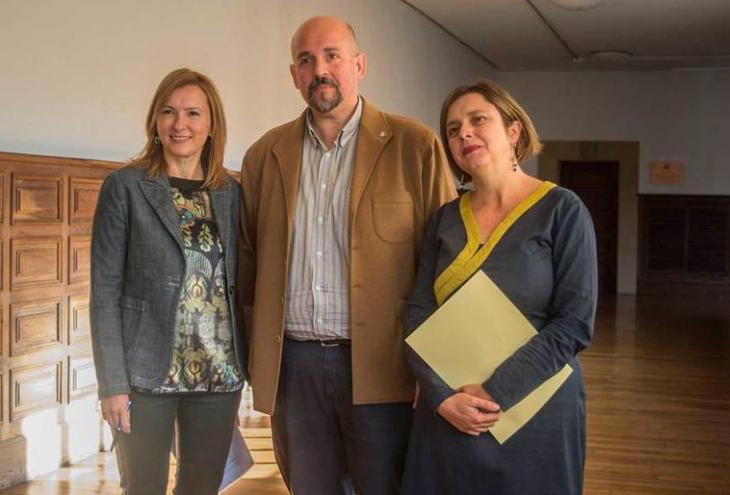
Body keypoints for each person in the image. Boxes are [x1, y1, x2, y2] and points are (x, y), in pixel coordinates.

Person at [238, 15, 457, 495]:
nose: (320, 69)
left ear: (359, 65)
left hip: (385, 364)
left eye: (332, 56)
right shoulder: (263, 156)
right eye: (306, 60)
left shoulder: (414, 146)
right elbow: (248, 267)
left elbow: (445, 263)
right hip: (294, 369)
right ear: (294, 76)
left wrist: (437, 367)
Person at [402, 80, 597, 495]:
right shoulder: (444, 219)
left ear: (514, 132)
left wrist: (493, 393)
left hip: (534, 409)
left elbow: (575, 323)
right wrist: (440, 396)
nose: (464, 134)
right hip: (448, 409)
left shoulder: (563, 210)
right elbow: (417, 313)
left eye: (478, 120)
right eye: (453, 129)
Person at [90, 67, 247, 495]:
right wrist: (112, 384)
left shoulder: (232, 194)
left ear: (211, 124)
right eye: (169, 112)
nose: (181, 124)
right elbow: (103, 292)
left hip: (219, 373)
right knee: (142, 488)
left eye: (193, 113)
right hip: (144, 377)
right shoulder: (125, 187)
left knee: (201, 489)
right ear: (155, 121)